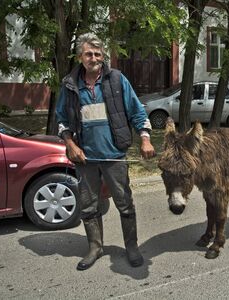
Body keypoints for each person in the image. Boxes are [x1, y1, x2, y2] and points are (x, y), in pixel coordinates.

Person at [56, 33, 155, 270]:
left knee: (125, 203)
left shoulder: (117, 80)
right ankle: (95, 247)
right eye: (89, 54)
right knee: (88, 205)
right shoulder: (70, 85)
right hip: (85, 158)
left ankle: (131, 247)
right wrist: (71, 145)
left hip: (114, 156)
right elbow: (61, 121)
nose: (94, 58)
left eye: (98, 54)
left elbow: (137, 111)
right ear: (80, 57)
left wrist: (145, 139)